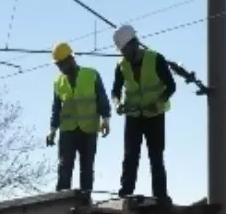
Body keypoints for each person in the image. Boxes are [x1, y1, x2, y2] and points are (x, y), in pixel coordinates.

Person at [110, 24, 179, 200]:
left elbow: (171, 86)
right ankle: (125, 193)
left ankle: (160, 195)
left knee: (156, 156)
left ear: (134, 44)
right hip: (133, 116)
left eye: (125, 50)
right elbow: (115, 91)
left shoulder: (156, 59)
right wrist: (117, 104)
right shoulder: (121, 66)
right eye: (122, 52)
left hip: (154, 115)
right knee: (130, 156)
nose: (124, 55)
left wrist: (158, 103)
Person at [46, 41, 112, 193]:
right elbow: (56, 108)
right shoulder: (58, 82)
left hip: (88, 129)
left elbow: (102, 99)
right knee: (64, 167)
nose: (60, 68)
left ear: (71, 59)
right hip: (67, 130)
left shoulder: (91, 75)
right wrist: (52, 130)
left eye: (62, 64)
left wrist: (106, 120)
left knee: (87, 168)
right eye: (58, 65)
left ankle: (85, 201)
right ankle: (62, 201)